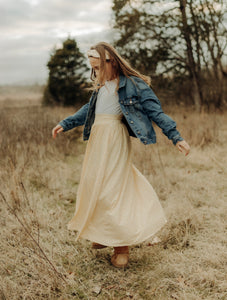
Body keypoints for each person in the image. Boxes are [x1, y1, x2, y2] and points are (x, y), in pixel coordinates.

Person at [52, 42, 190, 268]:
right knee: (95, 184)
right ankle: (103, 233)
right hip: (97, 140)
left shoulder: (133, 85)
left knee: (113, 189)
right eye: (93, 68)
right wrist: (66, 123)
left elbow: (156, 111)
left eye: (98, 67)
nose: (95, 72)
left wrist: (176, 136)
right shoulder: (101, 86)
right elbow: (90, 110)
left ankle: (121, 248)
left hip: (115, 139)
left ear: (111, 61)